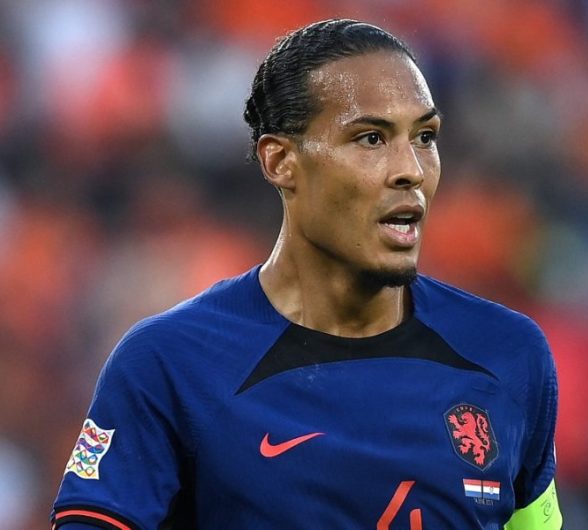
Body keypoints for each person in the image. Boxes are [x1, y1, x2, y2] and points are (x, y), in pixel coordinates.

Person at [51, 19, 562, 529]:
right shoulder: (171, 364)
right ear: (280, 161)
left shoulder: (508, 354)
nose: (410, 169)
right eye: (371, 138)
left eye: (424, 136)